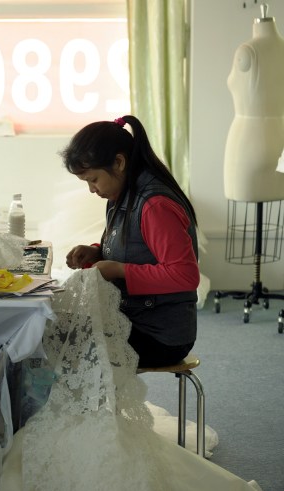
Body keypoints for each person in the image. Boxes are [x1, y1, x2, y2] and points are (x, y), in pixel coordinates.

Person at [63, 115, 199, 368]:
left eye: (93, 179)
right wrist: (97, 254)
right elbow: (136, 250)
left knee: (63, 347)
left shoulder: (154, 206)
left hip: (161, 336)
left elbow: (185, 275)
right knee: (57, 330)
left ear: (119, 162)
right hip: (136, 318)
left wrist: (117, 269)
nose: (92, 190)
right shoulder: (122, 195)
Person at [224, 5, 284, 202]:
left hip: (249, 142)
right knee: (274, 221)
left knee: (241, 222)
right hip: (280, 138)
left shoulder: (247, 51)